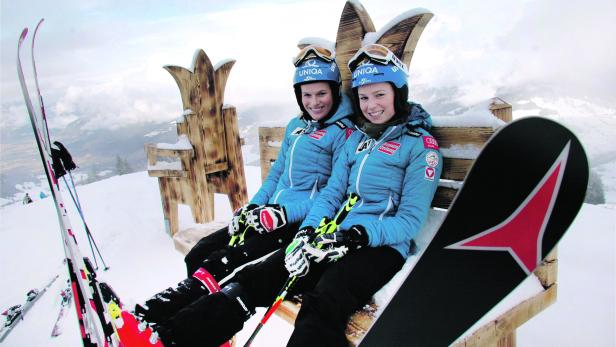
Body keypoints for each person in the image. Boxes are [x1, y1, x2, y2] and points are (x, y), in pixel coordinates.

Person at [148, 44, 443, 347]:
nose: (371, 105)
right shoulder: (358, 140)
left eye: (380, 94)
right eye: (364, 97)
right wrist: (305, 234)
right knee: (254, 279)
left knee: (324, 299)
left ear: (399, 92)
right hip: (334, 237)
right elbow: (331, 195)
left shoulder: (420, 146)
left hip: (381, 247)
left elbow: (409, 220)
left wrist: (356, 235)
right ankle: (172, 337)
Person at [135, 44, 355, 324]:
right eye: (306, 94)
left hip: (295, 222)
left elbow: (331, 194)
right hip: (269, 214)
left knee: (225, 260)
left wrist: (284, 214)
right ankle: (181, 313)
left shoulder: (344, 133)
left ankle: (175, 323)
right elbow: (277, 175)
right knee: (201, 250)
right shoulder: (296, 126)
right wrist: (252, 207)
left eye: (322, 93)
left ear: (335, 91)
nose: (314, 102)